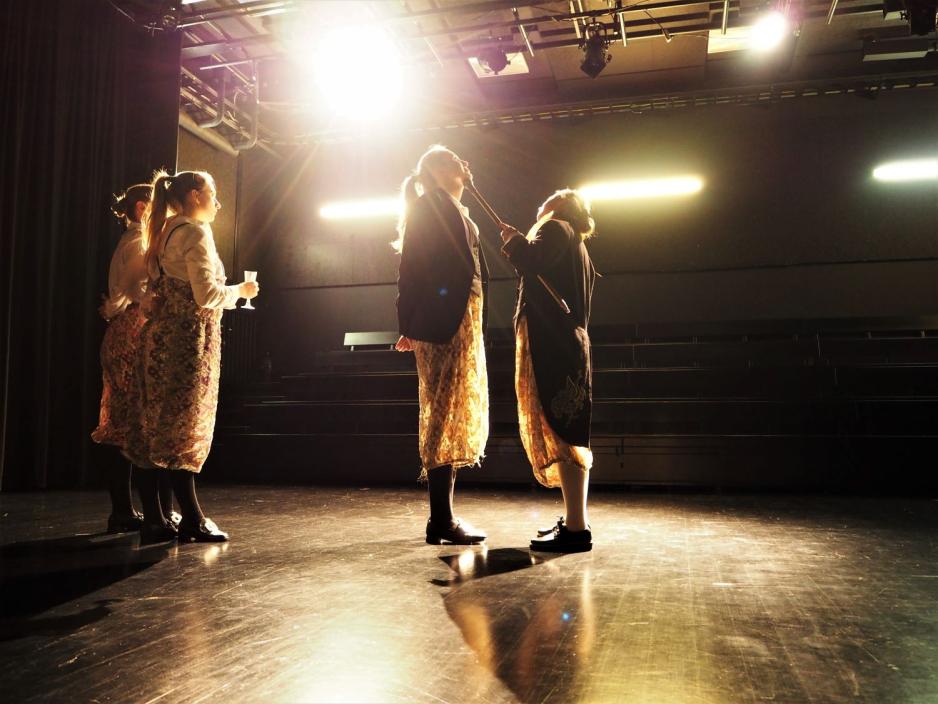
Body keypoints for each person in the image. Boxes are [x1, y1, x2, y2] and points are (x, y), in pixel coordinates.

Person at [130, 169, 259, 542]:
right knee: (184, 427)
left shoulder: (162, 230)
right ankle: (191, 517)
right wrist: (240, 291)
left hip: (158, 338)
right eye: (212, 193)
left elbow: (153, 293)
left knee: (153, 426)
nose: (218, 202)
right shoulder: (195, 233)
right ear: (193, 196)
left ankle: (156, 517)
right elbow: (206, 295)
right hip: (187, 341)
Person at [394, 146, 490, 545]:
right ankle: (441, 520)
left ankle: (444, 517)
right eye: (454, 160)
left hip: (459, 320)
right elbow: (412, 269)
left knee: (451, 411)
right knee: (443, 413)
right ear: (436, 170)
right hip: (445, 322)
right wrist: (410, 324)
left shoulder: (451, 207)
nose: (464, 163)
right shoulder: (431, 205)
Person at [499, 190, 597, 552]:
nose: (539, 206)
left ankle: (576, 528)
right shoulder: (578, 245)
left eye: (546, 201)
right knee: (568, 430)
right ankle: (575, 519)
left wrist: (514, 241)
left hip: (552, 343)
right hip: (571, 342)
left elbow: (532, 259)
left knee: (561, 432)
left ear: (557, 206)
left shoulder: (554, 226)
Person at [91, 184, 152, 534]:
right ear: (142, 208)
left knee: (123, 423)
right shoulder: (138, 241)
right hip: (131, 331)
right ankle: (123, 510)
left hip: (123, 328)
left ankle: (124, 509)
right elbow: (136, 291)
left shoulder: (130, 240)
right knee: (127, 424)